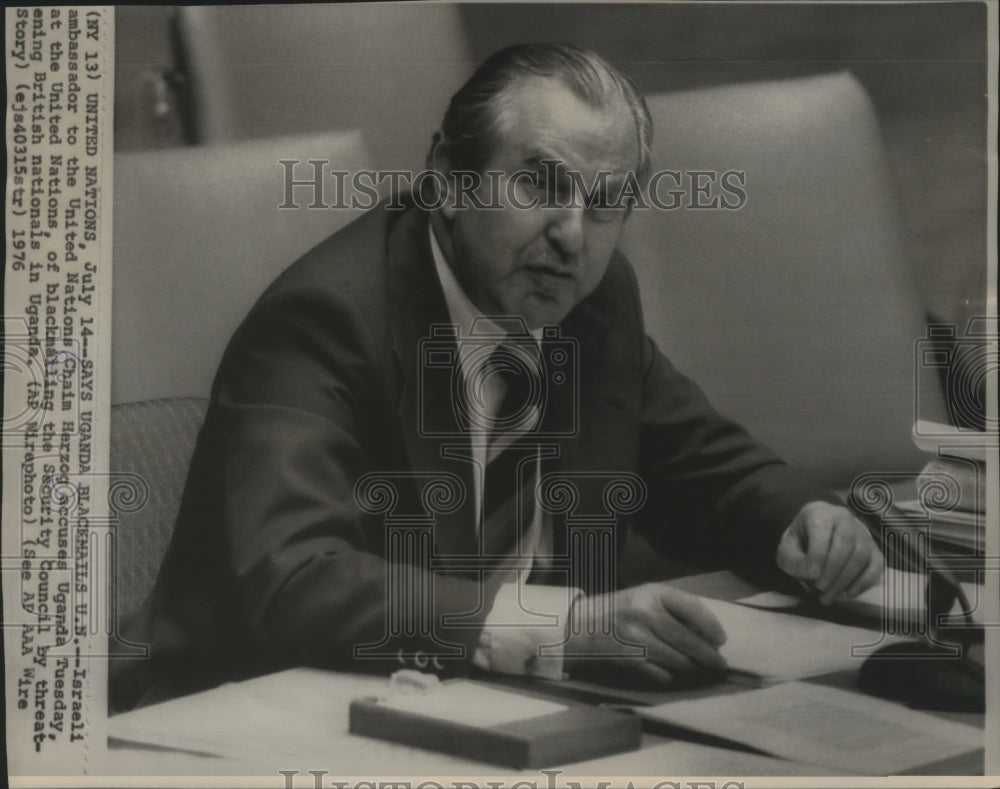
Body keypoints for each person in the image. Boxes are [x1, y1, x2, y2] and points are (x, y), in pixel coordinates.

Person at [110, 43, 883, 711]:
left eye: (606, 202)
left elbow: (702, 467)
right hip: (248, 706)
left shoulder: (589, 297)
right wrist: (562, 627)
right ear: (449, 177)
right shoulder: (327, 318)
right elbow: (294, 579)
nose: (572, 235)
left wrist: (802, 523)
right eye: (541, 185)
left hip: (506, 703)